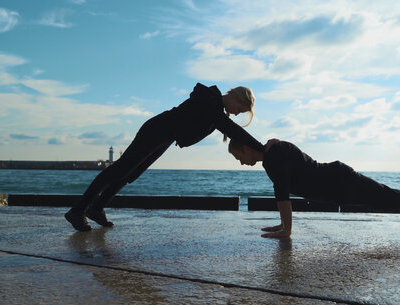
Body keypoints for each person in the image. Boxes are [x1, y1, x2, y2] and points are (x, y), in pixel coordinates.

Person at [65, 83, 263, 231]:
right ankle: (78, 211)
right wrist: (262, 148)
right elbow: (233, 129)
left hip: (165, 136)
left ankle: (96, 209)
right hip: (157, 130)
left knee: (127, 174)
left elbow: (229, 127)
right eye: (240, 110)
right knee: (118, 170)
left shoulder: (214, 107)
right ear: (236, 97)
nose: (237, 114)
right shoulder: (210, 100)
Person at [228, 139, 400, 239]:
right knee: (390, 198)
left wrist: (286, 230)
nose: (240, 162)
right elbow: (285, 190)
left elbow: (282, 196)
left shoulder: (273, 158)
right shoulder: (274, 152)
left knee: (390, 198)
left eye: (238, 156)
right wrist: (282, 226)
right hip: (338, 181)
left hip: (340, 182)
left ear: (247, 148)